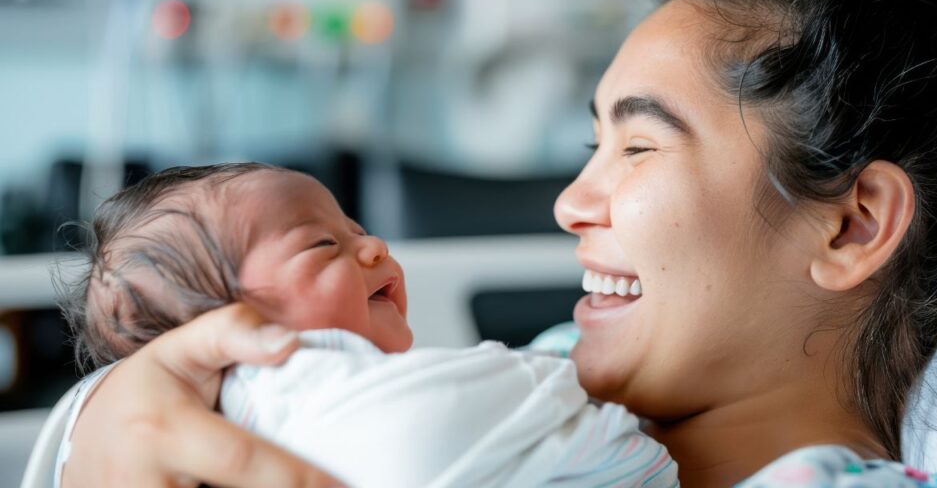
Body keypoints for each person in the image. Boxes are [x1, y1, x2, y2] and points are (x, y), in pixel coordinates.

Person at [54, 0, 937, 485]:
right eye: (588, 143)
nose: (569, 204)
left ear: (853, 225)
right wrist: (99, 430)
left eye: (638, 144)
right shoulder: (532, 377)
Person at [55, 163, 678, 487]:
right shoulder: (283, 388)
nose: (375, 244)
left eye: (355, 227)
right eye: (323, 244)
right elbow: (520, 395)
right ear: (219, 330)